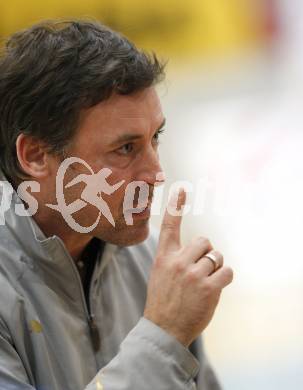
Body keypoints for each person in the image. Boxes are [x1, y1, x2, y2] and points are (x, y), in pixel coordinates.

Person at [0, 20, 233, 389]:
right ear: (36, 155)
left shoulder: (151, 263)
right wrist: (162, 337)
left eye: (154, 138)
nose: (156, 174)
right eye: (125, 149)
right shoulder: (165, 307)